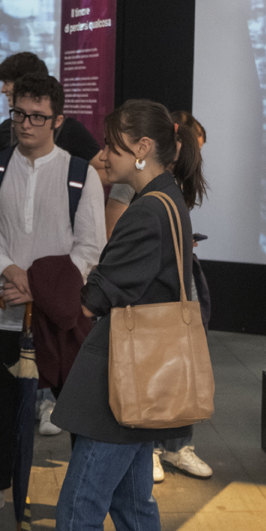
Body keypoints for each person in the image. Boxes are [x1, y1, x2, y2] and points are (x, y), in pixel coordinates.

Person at [50, 99, 208, 531]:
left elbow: (96, 298)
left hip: (120, 387)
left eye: (110, 145)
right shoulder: (168, 199)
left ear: (142, 148)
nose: (103, 155)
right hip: (143, 386)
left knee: (79, 510)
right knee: (133, 505)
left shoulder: (145, 212)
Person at [0, 73, 105, 530]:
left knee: (75, 407)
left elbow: (89, 249)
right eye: (19, 114)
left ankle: (82, 496)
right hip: (3, 310)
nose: (26, 124)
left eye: (38, 117)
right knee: (0, 408)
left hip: (59, 315)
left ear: (58, 120)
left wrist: (38, 288)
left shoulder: (81, 175)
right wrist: (12, 273)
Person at [104, 110, 213, 483]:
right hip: (147, 285)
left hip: (169, 283)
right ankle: (150, 446)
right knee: (156, 360)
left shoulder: (169, 185)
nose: (104, 155)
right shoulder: (136, 184)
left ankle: (174, 443)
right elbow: (116, 232)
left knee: (172, 359)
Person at [0, 52, 104, 178]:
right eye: (19, 115)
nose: (3, 89)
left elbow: (104, 170)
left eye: (7, 82)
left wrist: (68, 181)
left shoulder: (71, 130)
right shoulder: (4, 129)